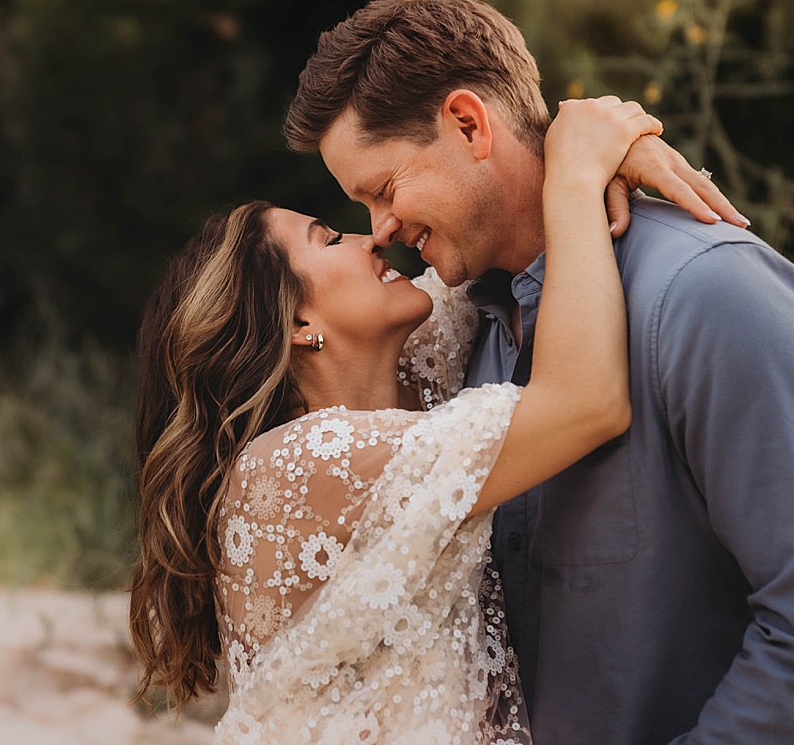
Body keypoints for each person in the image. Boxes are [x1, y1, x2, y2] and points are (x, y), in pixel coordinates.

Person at [285, 0, 794, 743]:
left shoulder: (709, 293)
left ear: (469, 123)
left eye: (382, 190)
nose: (378, 231)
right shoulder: (458, 332)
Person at [129, 95, 674, 742]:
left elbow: (488, 210)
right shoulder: (302, 463)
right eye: (330, 237)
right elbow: (588, 403)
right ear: (300, 324)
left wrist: (609, 146)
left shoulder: (415, 366)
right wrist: (581, 175)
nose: (376, 235)